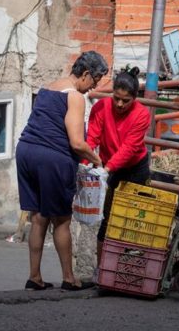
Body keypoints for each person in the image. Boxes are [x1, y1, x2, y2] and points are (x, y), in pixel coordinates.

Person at [16, 51, 108, 291]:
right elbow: (77, 143)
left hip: (26, 152)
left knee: (38, 217)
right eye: (95, 81)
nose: (93, 87)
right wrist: (97, 160)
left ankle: (34, 277)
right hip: (51, 159)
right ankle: (69, 278)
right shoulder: (75, 96)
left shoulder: (47, 88)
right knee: (62, 220)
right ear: (86, 74)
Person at [85, 66, 151, 265]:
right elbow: (92, 139)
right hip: (110, 168)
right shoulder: (101, 107)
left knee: (132, 219)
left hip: (134, 168)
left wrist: (106, 169)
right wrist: (85, 162)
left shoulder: (141, 115)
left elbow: (129, 148)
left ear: (135, 98)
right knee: (109, 218)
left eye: (126, 100)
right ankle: (102, 269)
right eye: (116, 98)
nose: (120, 104)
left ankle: (127, 266)